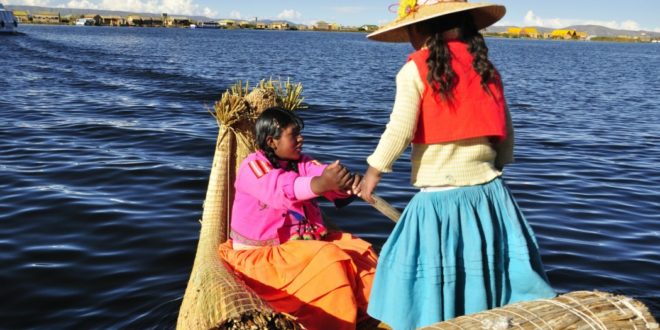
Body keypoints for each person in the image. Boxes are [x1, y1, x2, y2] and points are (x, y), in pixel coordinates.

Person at [360, 1, 556, 329]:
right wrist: (498, 167)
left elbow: (400, 129)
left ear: (420, 29)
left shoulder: (414, 69)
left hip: (440, 200)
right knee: (481, 274)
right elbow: (505, 129)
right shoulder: (486, 68)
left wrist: (372, 174)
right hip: (490, 197)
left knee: (406, 272)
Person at [218, 107, 377, 330]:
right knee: (330, 259)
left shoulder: (302, 162)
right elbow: (279, 189)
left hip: (299, 248)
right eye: (294, 134)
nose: (301, 139)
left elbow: (320, 175)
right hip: (262, 256)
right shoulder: (253, 167)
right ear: (272, 141)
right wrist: (321, 184)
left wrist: (345, 185)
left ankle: (373, 318)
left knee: (361, 252)